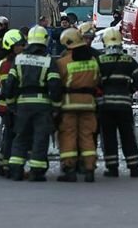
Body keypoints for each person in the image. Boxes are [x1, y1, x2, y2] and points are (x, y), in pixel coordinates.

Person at [2, 25, 61, 182]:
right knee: (40, 138)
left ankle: (16, 170)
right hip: (42, 105)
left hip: (22, 105)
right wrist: (56, 106)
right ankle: (37, 171)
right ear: (45, 40)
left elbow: (9, 85)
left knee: (20, 137)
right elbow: (54, 85)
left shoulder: (19, 60)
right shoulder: (48, 61)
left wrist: (11, 104)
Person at [97, 28, 138, 178]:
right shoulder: (128, 60)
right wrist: (130, 90)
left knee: (109, 136)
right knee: (128, 135)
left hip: (106, 106)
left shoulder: (99, 61)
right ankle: (134, 167)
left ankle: (112, 168)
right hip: (124, 105)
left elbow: (94, 80)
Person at [55, 27, 100, 182]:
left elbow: (58, 83)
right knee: (87, 135)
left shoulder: (62, 62)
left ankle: (69, 169)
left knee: (68, 135)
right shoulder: (93, 61)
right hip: (89, 104)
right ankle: (89, 169)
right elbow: (97, 81)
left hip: (69, 104)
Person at [0, 29, 26, 177]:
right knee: (11, 135)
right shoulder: (7, 64)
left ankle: (4, 165)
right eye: (20, 45)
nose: (23, 47)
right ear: (12, 46)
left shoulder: (11, 62)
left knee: (10, 134)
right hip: (9, 105)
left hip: (9, 105)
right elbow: (9, 86)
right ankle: (6, 166)